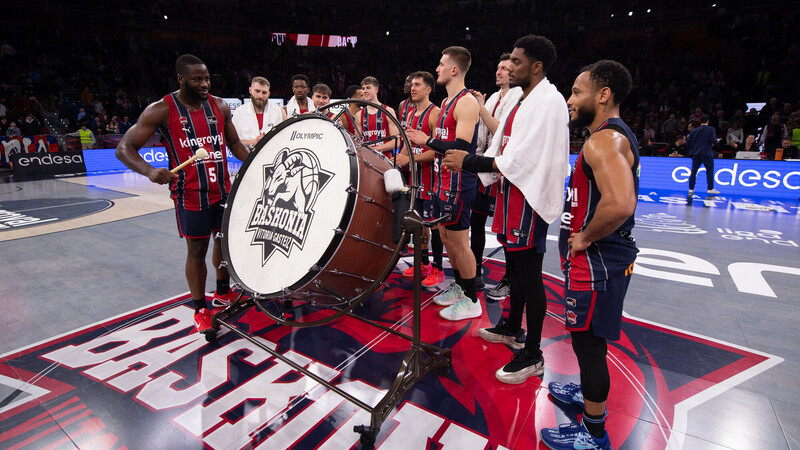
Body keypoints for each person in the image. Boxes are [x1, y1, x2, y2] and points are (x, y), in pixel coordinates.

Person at [442, 35, 569, 381]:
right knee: (514, 270)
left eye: (516, 61)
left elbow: (522, 158)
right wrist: (477, 162)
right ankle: (512, 328)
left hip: (528, 197)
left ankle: (533, 354)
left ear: (536, 66)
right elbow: (503, 146)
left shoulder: (549, 101)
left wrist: (469, 162)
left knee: (529, 276)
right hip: (511, 193)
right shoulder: (522, 99)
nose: (509, 66)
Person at [541, 59, 640, 450]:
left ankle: (594, 432)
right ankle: (587, 394)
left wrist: (581, 239)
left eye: (577, 92)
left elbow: (619, 204)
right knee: (587, 338)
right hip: (599, 261)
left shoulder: (604, 141)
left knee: (589, 343)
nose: (570, 99)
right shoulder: (604, 137)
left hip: (598, 262)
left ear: (604, 95)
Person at [115, 54, 250, 335]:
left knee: (225, 243)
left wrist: (257, 165)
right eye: (197, 79)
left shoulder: (220, 106)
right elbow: (124, 148)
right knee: (197, 250)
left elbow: (235, 143)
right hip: (190, 194)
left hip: (222, 189)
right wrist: (150, 171)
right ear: (181, 79)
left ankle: (223, 292)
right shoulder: (161, 109)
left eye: (207, 78)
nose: (205, 84)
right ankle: (201, 308)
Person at [406, 46, 481, 321]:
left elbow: (462, 145)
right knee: (447, 237)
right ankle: (461, 288)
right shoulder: (447, 103)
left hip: (460, 183)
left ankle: (472, 300)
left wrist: (426, 141)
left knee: (461, 243)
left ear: (454, 69)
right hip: (443, 181)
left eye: (441, 64)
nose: (436, 68)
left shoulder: (466, 102)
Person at [468, 52, 517, 297]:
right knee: (475, 224)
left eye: (505, 68)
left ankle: (509, 279)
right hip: (485, 169)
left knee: (506, 232)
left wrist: (480, 109)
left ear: (515, 73)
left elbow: (503, 133)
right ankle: (475, 271)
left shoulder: (519, 99)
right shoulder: (494, 98)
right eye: (498, 67)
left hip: (504, 172)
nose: (499, 71)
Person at [395, 71, 445, 288]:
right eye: (412, 84)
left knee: (434, 226)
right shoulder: (412, 114)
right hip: (416, 180)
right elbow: (407, 143)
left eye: (418, 85)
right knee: (419, 225)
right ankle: (423, 263)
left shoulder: (435, 114)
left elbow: (438, 151)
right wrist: (400, 158)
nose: (412, 88)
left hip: (433, 179)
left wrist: (409, 158)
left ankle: (438, 268)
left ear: (428, 89)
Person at [232, 76, 286, 149]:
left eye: (264, 92)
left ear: (269, 94)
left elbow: (285, 137)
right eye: (257, 91)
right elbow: (233, 141)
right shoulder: (239, 112)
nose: (260, 96)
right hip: (247, 156)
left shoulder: (279, 111)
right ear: (250, 90)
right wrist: (252, 142)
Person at [355, 76, 400, 159]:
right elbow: (357, 143)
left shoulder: (388, 111)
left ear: (376, 89)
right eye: (363, 88)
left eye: (368, 88)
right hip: (367, 160)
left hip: (385, 160)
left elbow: (396, 142)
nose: (365, 91)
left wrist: (375, 149)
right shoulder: (359, 114)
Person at [687, 114, 720, 195]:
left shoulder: (694, 131)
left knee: (693, 172)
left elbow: (688, 142)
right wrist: (717, 141)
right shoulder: (711, 129)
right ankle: (710, 188)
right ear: (708, 121)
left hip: (696, 153)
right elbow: (714, 141)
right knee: (709, 171)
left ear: (700, 122)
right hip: (707, 153)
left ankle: (691, 189)